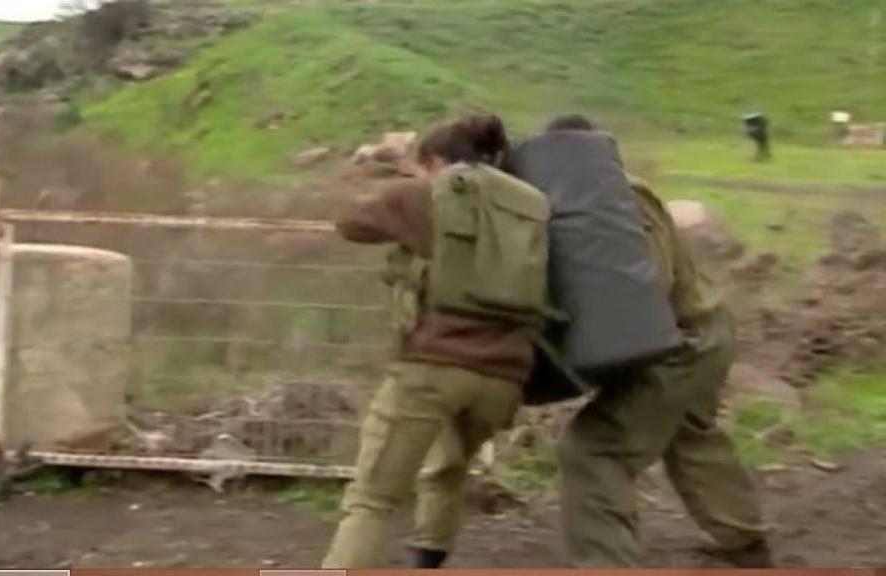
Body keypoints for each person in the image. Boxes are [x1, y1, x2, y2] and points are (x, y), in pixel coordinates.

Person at [528, 115, 772, 568]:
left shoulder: (618, 199)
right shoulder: (602, 195)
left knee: (594, 450)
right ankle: (745, 542)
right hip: (703, 329)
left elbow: (644, 282)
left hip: (681, 343)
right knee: (690, 433)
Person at [321, 114, 546, 569]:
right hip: (504, 374)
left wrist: (381, 172)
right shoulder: (531, 204)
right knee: (447, 466)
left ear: (436, 161)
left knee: (371, 497)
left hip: (431, 366)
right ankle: (427, 558)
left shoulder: (426, 193)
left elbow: (349, 221)